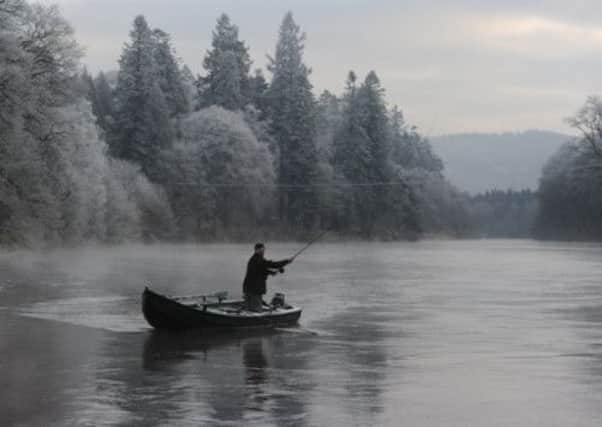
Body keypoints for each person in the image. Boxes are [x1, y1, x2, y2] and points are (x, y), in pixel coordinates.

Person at [242, 243, 293, 312]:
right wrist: (286, 261)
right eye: (261, 250)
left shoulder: (254, 260)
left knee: (249, 309)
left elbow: (261, 270)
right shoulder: (258, 260)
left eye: (263, 250)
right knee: (256, 310)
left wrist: (272, 272)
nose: (263, 252)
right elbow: (273, 264)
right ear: (256, 250)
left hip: (249, 288)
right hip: (254, 289)